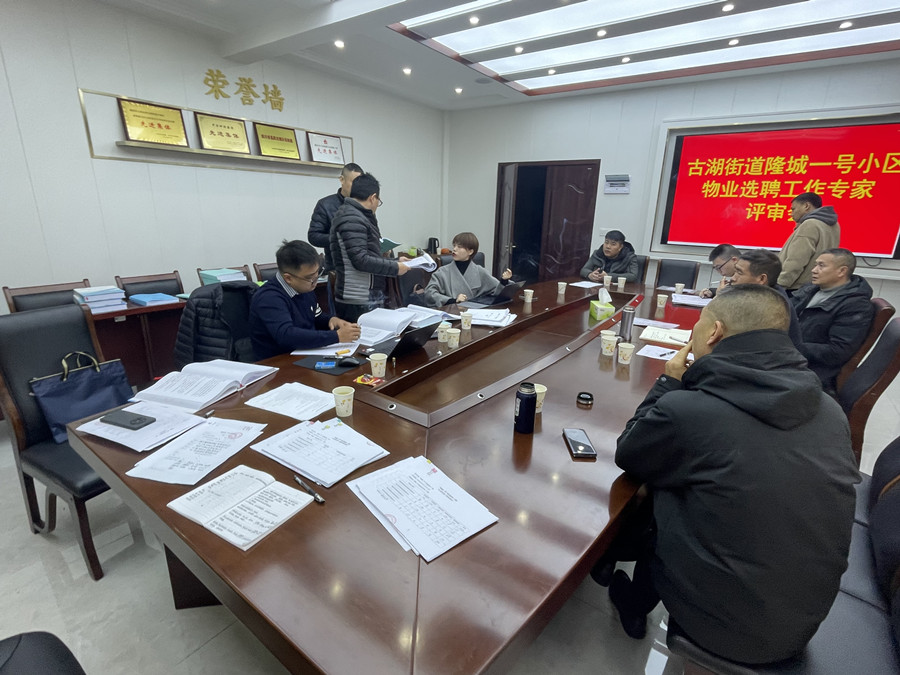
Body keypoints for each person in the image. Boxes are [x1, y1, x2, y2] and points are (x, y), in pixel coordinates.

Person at [608, 284, 858, 664]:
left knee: (662, 485)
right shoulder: (829, 410)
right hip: (798, 617)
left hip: (724, 626)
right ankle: (630, 589)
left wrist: (669, 383)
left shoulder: (689, 411)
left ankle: (628, 592)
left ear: (714, 332)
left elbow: (630, 451)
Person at [249, 240, 360, 360]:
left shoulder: (304, 287)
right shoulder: (268, 298)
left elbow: (316, 317)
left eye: (317, 274)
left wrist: (331, 320)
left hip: (306, 354)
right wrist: (336, 336)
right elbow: (287, 335)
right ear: (288, 278)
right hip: (278, 361)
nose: (315, 282)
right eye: (310, 278)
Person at [791, 248, 874, 394]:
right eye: (815, 265)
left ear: (842, 271)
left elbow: (837, 351)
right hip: (792, 357)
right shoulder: (811, 289)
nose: (814, 270)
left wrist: (788, 346)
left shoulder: (855, 305)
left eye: (821, 266)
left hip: (811, 370)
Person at [329, 173, 409, 322]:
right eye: (379, 201)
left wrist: (396, 261)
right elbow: (361, 260)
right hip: (357, 297)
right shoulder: (352, 218)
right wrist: (395, 268)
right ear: (373, 197)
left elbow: (369, 255)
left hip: (366, 295)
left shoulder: (357, 215)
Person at [728, 248, 803, 349]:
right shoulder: (764, 293)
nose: (733, 278)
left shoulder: (771, 307)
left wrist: (721, 297)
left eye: (739, 273)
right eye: (735, 271)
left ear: (762, 279)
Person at [423, 232, 512, 307]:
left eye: (459, 247)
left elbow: (497, 291)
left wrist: (504, 281)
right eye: (454, 246)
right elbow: (429, 293)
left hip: (476, 313)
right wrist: (451, 300)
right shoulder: (442, 272)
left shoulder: (480, 271)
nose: (454, 249)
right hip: (451, 313)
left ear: (470, 251)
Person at [777, 192, 841, 292]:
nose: (791, 213)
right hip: (817, 284)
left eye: (793, 209)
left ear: (806, 206)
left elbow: (796, 260)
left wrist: (780, 285)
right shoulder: (834, 225)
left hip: (796, 287)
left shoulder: (810, 224)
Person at [307, 163, 363, 272]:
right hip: (337, 269)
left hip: (362, 266)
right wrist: (339, 239)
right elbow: (313, 236)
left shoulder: (364, 204)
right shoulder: (325, 204)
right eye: (353, 182)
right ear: (342, 180)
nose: (357, 187)